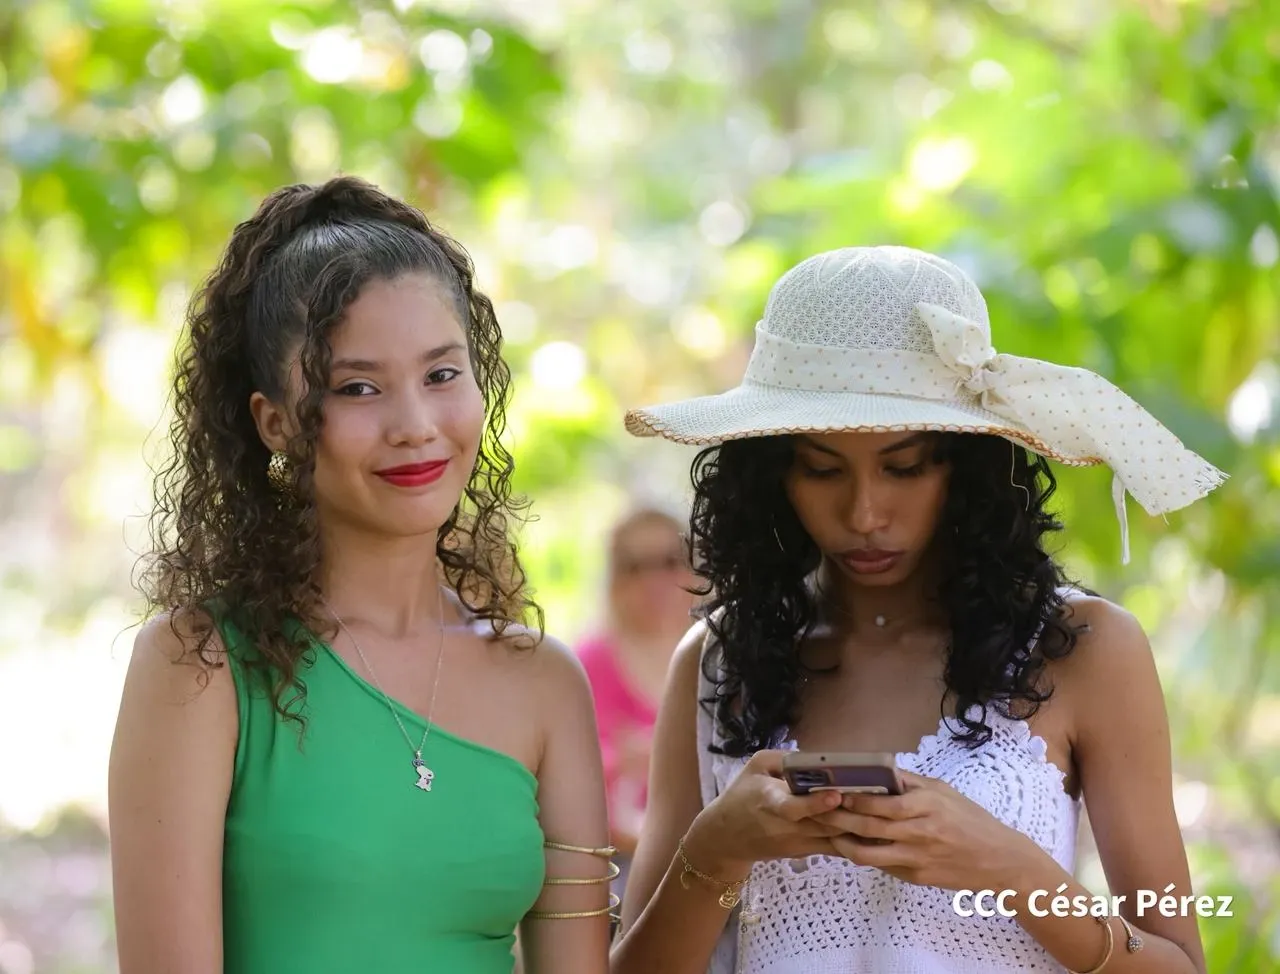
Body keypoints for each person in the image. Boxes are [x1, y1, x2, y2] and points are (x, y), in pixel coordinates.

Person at [610, 246, 1221, 974]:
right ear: (772, 475)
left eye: (904, 466)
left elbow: (1179, 965)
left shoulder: (1083, 648)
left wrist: (1008, 868)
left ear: (967, 467)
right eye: (821, 468)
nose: (865, 513)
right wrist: (716, 851)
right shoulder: (720, 659)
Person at [108, 176, 613, 974]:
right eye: (358, 389)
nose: (415, 426)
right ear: (275, 422)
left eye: (442, 375)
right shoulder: (198, 664)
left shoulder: (545, 682)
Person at [578, 505, 699, 892]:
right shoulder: (586, 663)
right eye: (636, 566)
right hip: (614, 865)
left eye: (669, 561)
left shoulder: (719, 658)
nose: (655, 580)